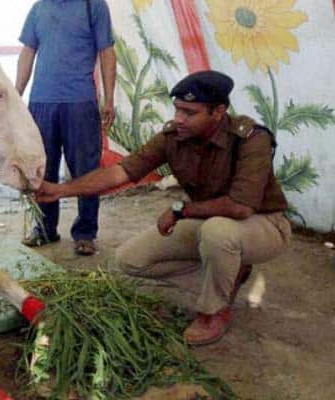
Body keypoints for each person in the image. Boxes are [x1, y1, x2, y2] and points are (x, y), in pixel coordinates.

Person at [36, 70, 292, 345]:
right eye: (177, 109)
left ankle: (213, 311)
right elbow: (120, 173)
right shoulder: (174, 136)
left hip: (264, 224)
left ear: (218, 112)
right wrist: (61, 190)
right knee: (130, 260)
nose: (179, 119)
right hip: (211, 223)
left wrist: (181, 210)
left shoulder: (251, 138)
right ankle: (230, 273)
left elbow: (241, 207)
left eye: (189, 112)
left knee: (219, 233)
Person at [16, 0, 117, 256]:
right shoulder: (39, 9)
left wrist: (109, 97)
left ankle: (85, 233)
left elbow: (106, 51)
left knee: (85, 168)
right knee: (42, 169)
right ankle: (45, 228)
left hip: (80, 102)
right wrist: (16, 92)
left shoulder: (93, 6)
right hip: (41, 102)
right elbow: (28, 52)